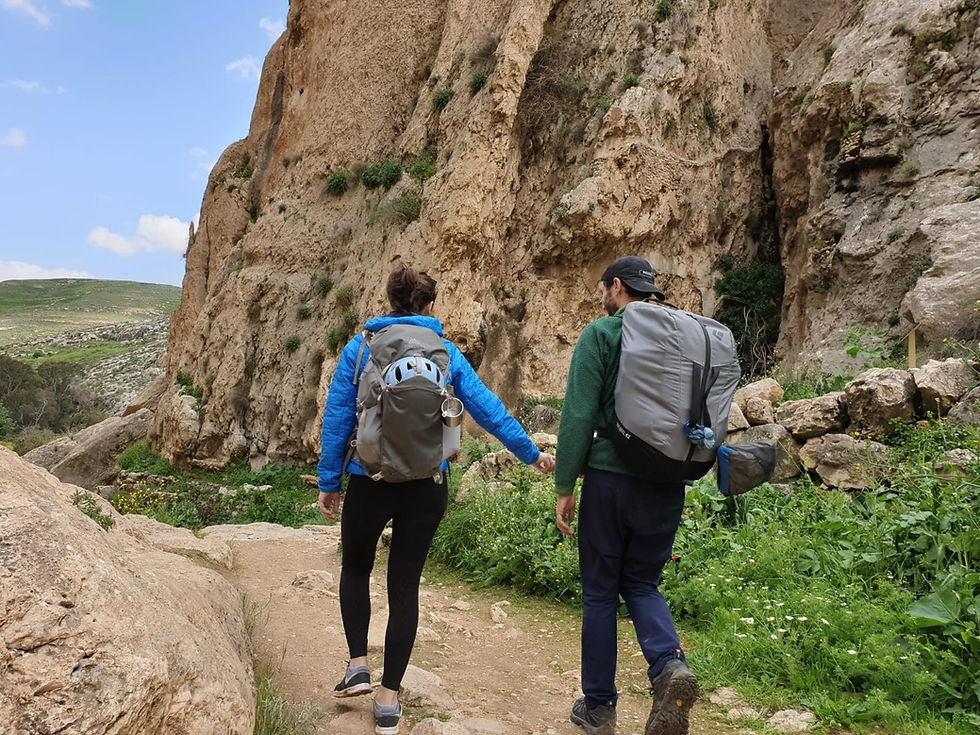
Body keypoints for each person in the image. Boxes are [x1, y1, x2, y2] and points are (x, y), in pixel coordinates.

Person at [317, 266, 555, 735]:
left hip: (370, 478)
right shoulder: (446, 353)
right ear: (429, 307)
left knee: (356, 569)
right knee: (404, 586)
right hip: (428, 484)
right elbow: (487, 409)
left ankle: (359, 665)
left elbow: (338, 416)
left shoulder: (362, 347)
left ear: (389, 301)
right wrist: (530, 454)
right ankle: (388, 702)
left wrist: (329, 481)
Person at [554, 256, 699, 735]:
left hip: (609, 483)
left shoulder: (602, 334)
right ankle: (667, 667)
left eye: (604, 288)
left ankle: (598, 707)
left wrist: (565, 485)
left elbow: (577, 416)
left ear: (616, 287)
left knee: (599, 595)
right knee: (642, 584)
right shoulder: (686, 336)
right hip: (667, 484)